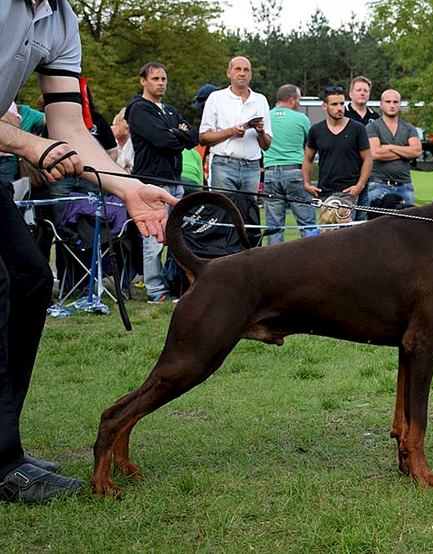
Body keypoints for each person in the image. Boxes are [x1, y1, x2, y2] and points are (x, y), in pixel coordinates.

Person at [0, 0, 175, 503]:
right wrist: (30, 146)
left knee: (31, 282)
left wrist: (127, 187)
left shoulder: (61, 20)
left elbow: (70, 127)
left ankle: (3, 442)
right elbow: (44, 141)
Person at [127, 61, 198, 304]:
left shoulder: (168, 110)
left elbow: (193, 137)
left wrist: (176, 133)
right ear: (143, 81)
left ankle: (175, 284)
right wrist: (177, 133)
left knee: (176, 237)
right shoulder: (138, 109)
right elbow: (162, 140)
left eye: (164, 79)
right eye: (156, 79)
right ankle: (155, 290)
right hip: (151, 183)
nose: (161, 83)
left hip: (175, 181)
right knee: (154, 241)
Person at [199, 57, 271, 196]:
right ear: (229, 73)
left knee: (247, 213)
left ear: (250, 75)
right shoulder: (216, 98)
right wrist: (231, 131)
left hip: (252, 166)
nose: (242, 73)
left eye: (246, 70)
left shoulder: (260, 100)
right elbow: (203, 138)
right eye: (238, 69)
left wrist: (260, 132)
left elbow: (267, 145)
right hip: (223, 164)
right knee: (224, 212)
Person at [263, 84, 316, 244]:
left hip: (270, 173)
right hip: (294, 173)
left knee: (274, 228)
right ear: (292, 100)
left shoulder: (266, 117)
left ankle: (274, 266)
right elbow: (311, 146)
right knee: (307, 226)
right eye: (298, 100)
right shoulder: (301, 119)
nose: (299, 104)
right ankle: (312, 261)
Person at [303, 86, 372, 207]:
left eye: (341, 103)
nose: (339, 108)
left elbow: (367, 158)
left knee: (350, 226)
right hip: (325, 191)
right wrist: (307, 184)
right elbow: (308, 158)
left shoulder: (357, 128)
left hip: (351, 191)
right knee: (328, 226)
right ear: (324, 106)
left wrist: (359, 186)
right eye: (334, 104)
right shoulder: (316, 130)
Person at [366, 89, 422, 206]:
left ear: (400, 105)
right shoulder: (372, 127)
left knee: (408, 222)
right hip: (379, 184)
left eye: (395, 102)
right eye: (388, 102)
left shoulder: (409, 128)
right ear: (381, 105)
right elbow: (376, 153)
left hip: (405, 185)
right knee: (379, 222)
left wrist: (389, 147)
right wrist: (405, 152)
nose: (392, 105)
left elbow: (416, 152)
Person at [344, 76, 380, 221]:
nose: (362, 93)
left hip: (370, 175)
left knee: (364, 221)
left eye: (365, 90)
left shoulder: (375, 117)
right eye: (359, 90)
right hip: (347, 175)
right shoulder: (343, 114)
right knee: (345, 220)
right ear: (351, 93)